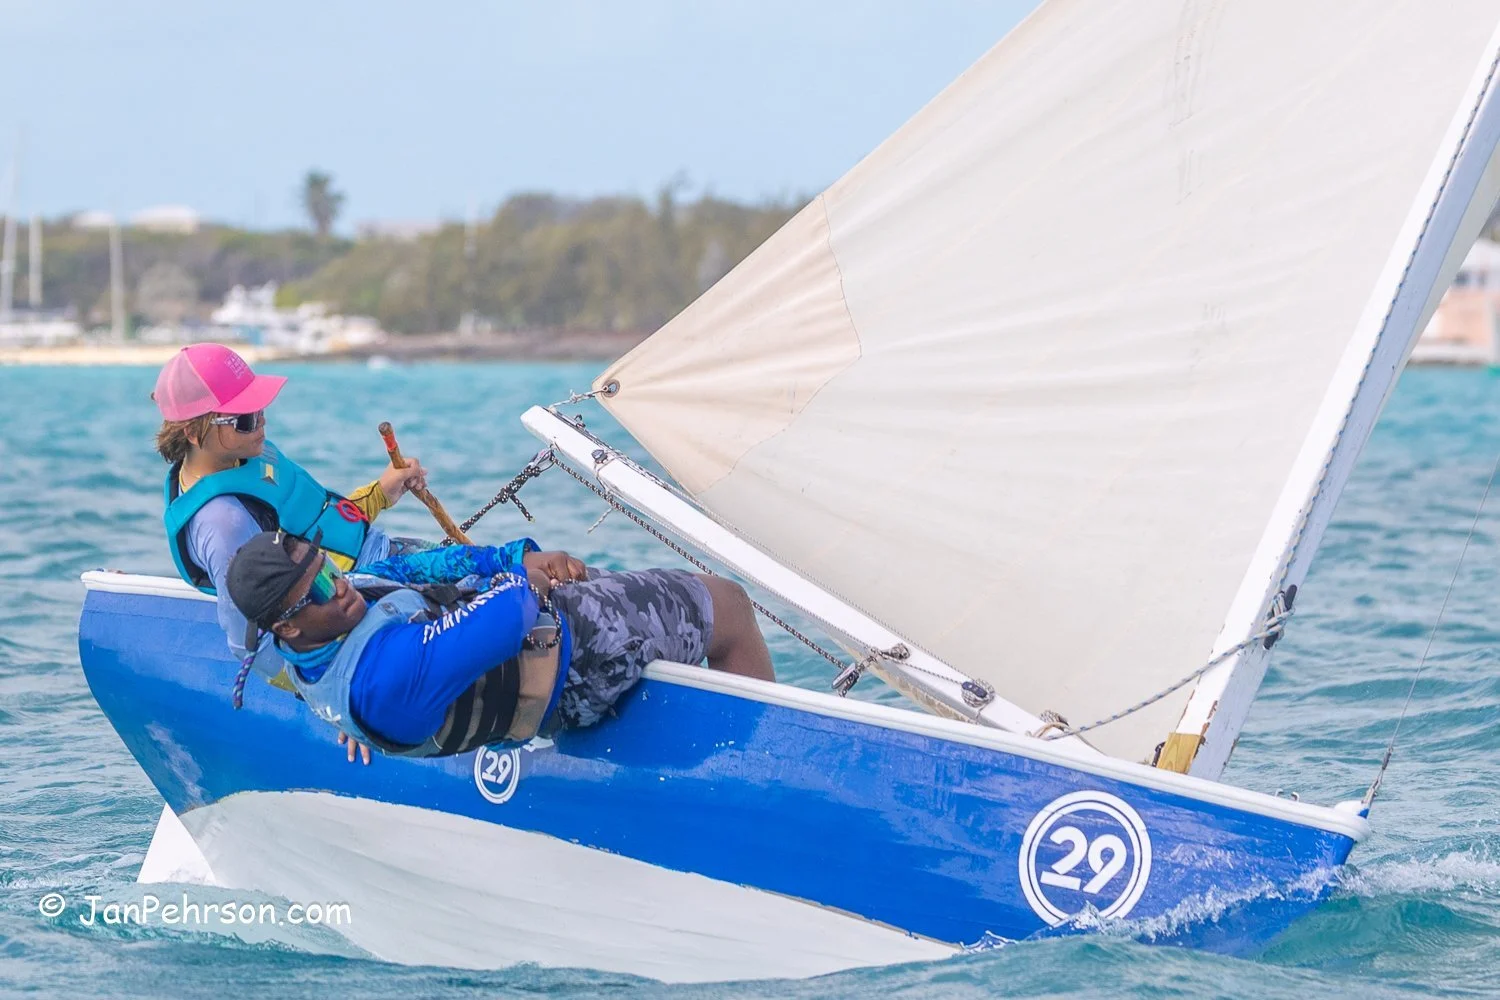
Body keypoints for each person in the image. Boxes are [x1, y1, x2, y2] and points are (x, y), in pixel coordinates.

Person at [224, 530, 776, 761]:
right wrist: (525, 578)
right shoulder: (383, 679)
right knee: (728, 603)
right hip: (578, 663)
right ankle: (765, 757)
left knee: (635, 583)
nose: (339, 584)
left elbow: (414, 567)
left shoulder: (300, 644)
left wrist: (514, 558)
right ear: (288, 626)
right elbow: (504, 620)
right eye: (318, 588)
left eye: (328, 567)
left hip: (544, 624)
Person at [153, 342, 433, 686]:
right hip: (361, 604)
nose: (261, 422)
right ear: (194, 433)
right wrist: (333, 696)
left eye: (259, 407)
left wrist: (381, 492)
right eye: (244, 418)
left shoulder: (242, 455)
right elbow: (250, 642)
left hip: (382, 560)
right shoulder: (224, 524)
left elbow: (314, 524)